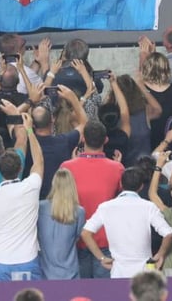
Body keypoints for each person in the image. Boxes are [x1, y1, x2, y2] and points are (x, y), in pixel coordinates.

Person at [0, 113, 44, 281]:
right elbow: (39, 161)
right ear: (20, 168)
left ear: (0, 170)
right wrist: (30, 130)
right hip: (28, 260)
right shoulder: (31, 187)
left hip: (1, 262)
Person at [81, 167, 172, 278]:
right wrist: (160, 255)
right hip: (144, 274)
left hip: (118, 272)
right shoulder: (148, 207)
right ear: (141, 186)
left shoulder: (106, 207)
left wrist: (101, 258)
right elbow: (168, 233)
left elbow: (85, 233)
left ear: (121, 183)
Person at [60, 119, 124, 279]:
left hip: (76, 241)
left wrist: (73, 162)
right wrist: (117, 167)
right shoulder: (117, 168)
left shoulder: (66, 167)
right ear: (106, 140)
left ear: (82, 139)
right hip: (105, 242)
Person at [38, 167, 85, 280]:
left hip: (45, 272)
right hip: (70, 273)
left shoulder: (40, 207)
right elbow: (77, 237)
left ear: (54, 184)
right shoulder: (79, 211)